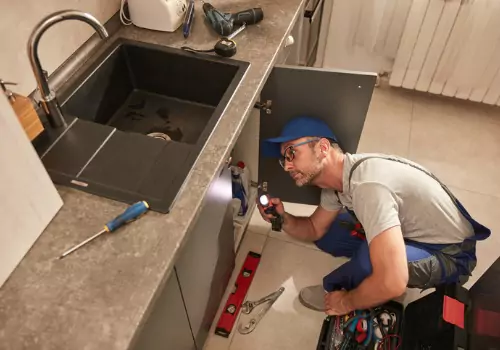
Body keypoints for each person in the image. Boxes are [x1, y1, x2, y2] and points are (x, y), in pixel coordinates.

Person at [257, 116, 491, 315]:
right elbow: (314, 228)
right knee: (328, 234)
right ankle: (378, 268)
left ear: (323, 148)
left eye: (291, 153)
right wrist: (284, 218)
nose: (287, 166)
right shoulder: (338, 181)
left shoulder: (368, 187)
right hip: (412, 230)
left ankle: (336, 291)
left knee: (371, 262)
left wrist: (346, 302)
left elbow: (393, 282)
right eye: (283, 159)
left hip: (449, 253)